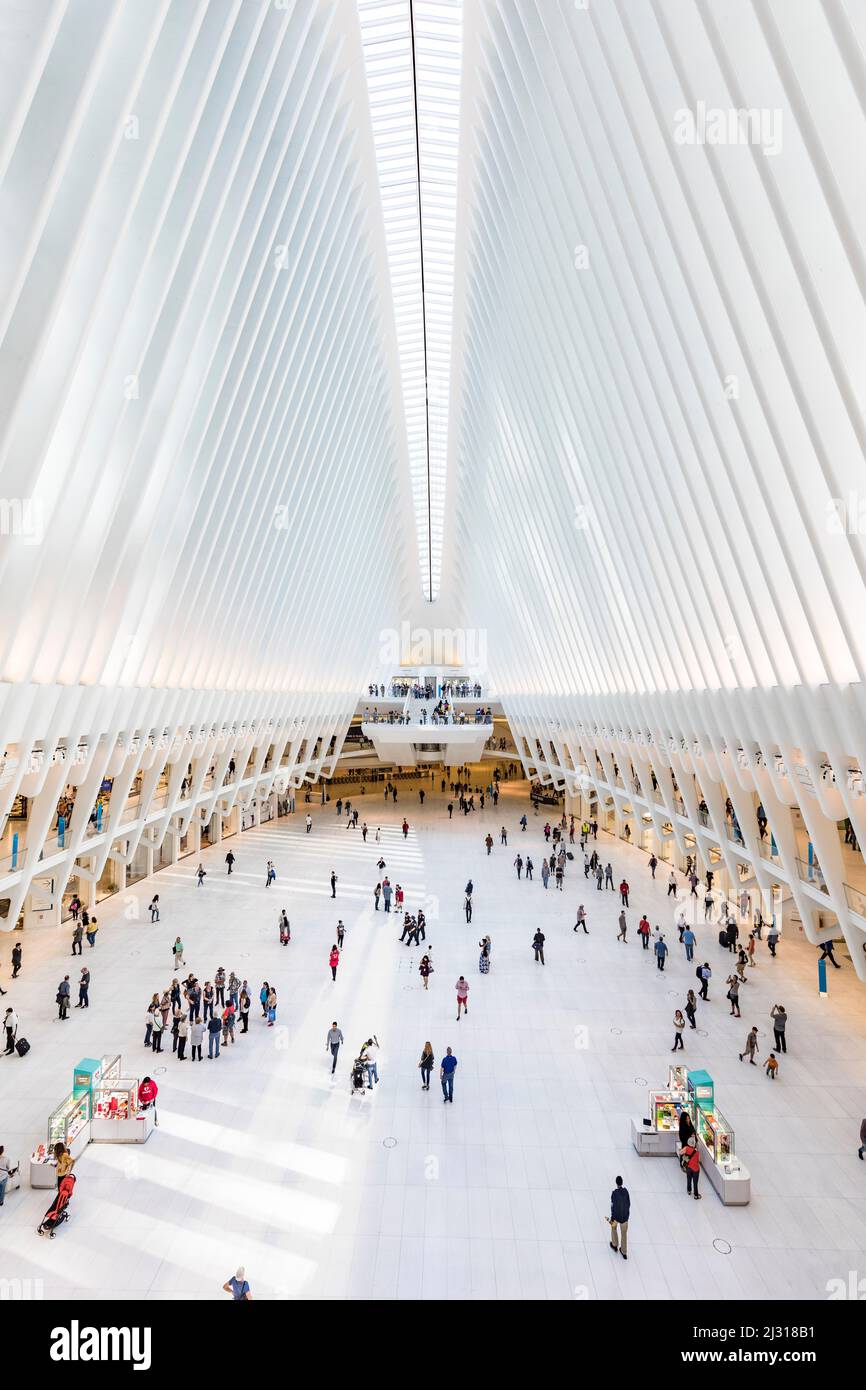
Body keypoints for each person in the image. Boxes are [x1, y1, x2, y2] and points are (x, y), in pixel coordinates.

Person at [609, 1176, 629, 1259]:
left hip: (617, 1216)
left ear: (616, 1183)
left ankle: (615, 1244)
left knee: (613, 1228)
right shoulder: (626, 1192)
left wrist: (612, 1217)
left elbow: (613, 1206)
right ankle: (624, 1251)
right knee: (624, 1234)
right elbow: (629, 1204)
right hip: (625, 1217)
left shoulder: (614, 1193)